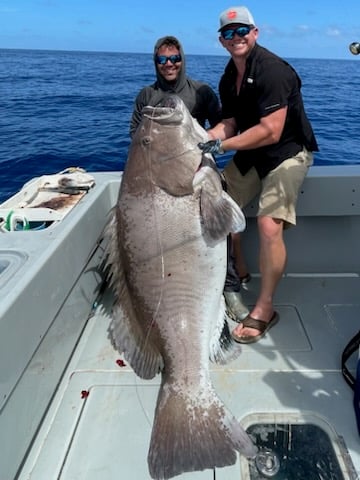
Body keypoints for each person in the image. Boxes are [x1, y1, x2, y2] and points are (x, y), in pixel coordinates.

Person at [198, 6, 318, 344]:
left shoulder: (273, 70)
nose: (236, 37)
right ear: (221, 40)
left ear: (255, 32)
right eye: (228, 33)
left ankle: (265, 308)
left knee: (268, 223)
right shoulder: (227, 77)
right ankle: (239, 263)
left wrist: (221, 147)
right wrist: (206, 138)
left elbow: (271, 131)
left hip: (287, 153)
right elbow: (231, 122)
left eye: (242, 31)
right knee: (218, 206)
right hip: (253, 153)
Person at [130, 35, 221, 137]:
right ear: (156, 62)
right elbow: (135, 132)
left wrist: (202, 139)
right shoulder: (146, 94)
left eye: (175, 58)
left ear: (182, 60)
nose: (168, 64)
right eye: (162, 59)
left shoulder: (202, 91)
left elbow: (220, 126)